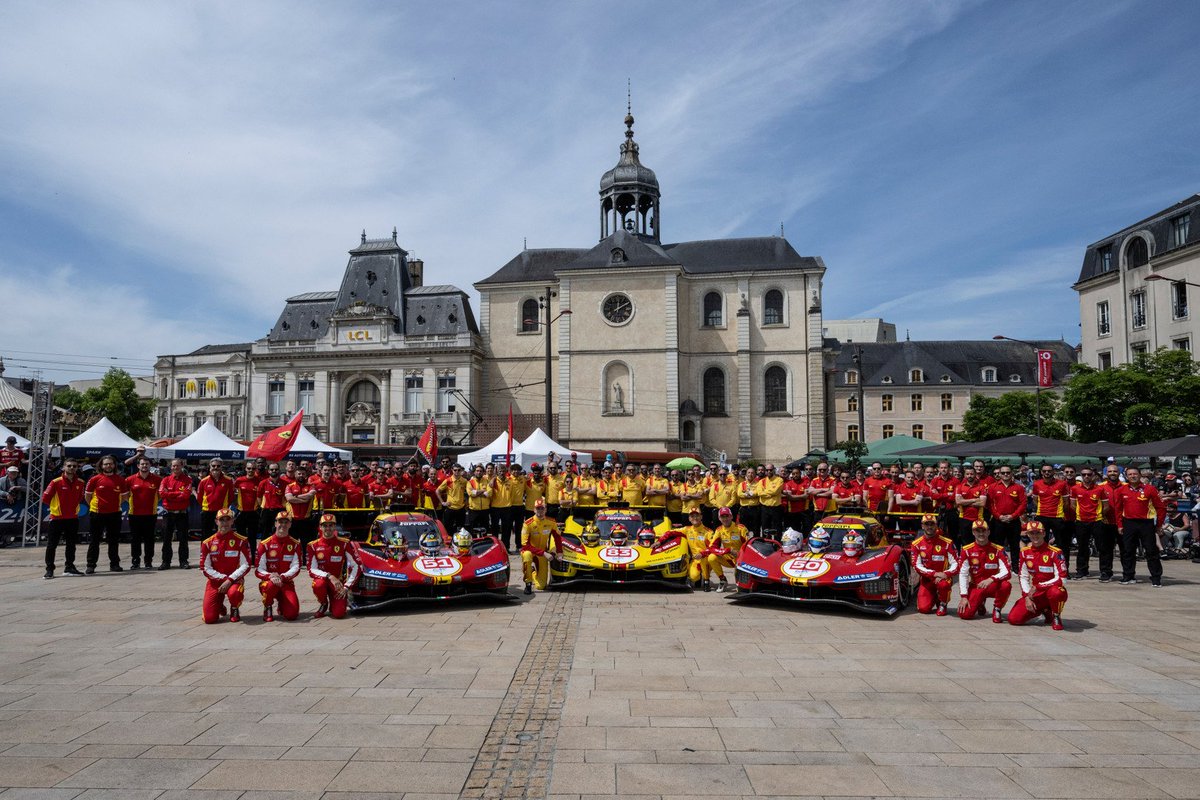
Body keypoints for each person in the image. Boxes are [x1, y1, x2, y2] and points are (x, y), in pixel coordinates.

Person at [1007, 520, 1067, 630]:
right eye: (1032, 533)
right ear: (1028, 534)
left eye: (1038, 533)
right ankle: (1045, 610)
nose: (1035, 536)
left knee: (1057, 592)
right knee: (1014, 619)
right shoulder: (1024, 552)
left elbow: (1062, 579)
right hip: (1035, 594)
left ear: (1044, 533)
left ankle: (1056, 615)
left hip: (1050, 590)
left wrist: (1040, 586)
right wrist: (1026, 597)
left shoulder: (1055, 552)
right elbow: (1023, 577)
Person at [1112, 467, 1166, 587]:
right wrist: (1120, 525)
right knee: (1127, 551)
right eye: (1130, 474)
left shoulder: (1150, 489)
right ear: (1126, 476)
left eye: (1135, 474)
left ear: (1140, 475)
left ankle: (1156, 578)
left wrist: (1159, 525)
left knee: (1151, 551)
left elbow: (1161, 508)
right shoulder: (1122, 490)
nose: (1132, 476)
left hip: (1146, 523)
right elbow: (1118, 509)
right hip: (1129, 523)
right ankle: (1128, 576)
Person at [199, 508, 253, 623]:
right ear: (216, 521)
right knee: (209, 619)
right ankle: (219, 606)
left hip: (234, 581)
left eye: (227, 519)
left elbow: (246, 565)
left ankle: (234, 608)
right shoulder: (207, 543)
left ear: (232, 521)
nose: (224, 523)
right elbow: (205, 568)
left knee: (235, 593)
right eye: (221, 520)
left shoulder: (241, 541)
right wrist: (223, 579)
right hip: (215, 582)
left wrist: (230, 580)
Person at [307, 513, 361, 619]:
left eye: (331, 525)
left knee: (339, 614)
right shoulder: (313, 545)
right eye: (325, 525)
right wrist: (329, 576)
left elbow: (356, 566)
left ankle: (335, 602)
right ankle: (323, 603)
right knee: (318, 585)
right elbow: (312, 569)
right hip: (323, 580)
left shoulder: (344, 543)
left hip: (338, 584)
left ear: (335, 527)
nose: (328, 528)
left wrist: (346, 587)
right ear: (320, 527)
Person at [957, 520, 1012, 622]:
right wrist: (964, 596)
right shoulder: (966, 550)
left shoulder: (998, 550)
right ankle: (980, 603)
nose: (981, 533)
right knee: (964, 614)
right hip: (976, 586)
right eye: (977, 531)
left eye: (984, 530)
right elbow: (963, 574)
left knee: (1006, 585)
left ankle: (997, 609)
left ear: (988, 532)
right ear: (973, 532)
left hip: (992, 585)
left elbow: (1007, 572)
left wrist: (991, 579)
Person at [42, 459, 86, 579]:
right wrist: (56, 508)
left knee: (71, 544)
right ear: (63, 468)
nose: (72, 468)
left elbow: (80, 498)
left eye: (74, 466)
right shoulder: (55, 482)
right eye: (69, 466)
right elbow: (45, 498)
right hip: (57, 518)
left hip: (72, 518)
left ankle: (69, 567)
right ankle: (49, 569)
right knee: (52, 545)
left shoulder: (81, 482)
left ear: (77, 468)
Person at [84, 455, 127, 573]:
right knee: (94, 540)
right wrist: (95, 505)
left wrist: (114, 504)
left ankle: (114, 564)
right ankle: (91, 565)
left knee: (113, 540)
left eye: (111, 463)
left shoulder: (120, 479)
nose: (108, 466)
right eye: (106, 464)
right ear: (101, 466)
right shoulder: (94, 479)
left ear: (114, 465)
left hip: (114, 514)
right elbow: (87, 496)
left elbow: (124, 497)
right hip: (97, 514)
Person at [255, 512, 302, 621]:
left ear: (290, 524)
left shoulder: (295, 544)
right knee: (271, 586)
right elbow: (258, 569)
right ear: (275, 523)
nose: (283, 525)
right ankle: (268, 606)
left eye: (286, 522)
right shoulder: (264, 544)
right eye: (280, 522)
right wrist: (271, 576)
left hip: (286, 582)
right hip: (270, 582)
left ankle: (282, 603)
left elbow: (296, 567)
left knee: (292, 615)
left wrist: (282, 577)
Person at [911, 514, 959, 616]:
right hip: (927, 580)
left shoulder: (947, 543)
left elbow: (956, 564)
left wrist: (945, 574)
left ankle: (943, 603)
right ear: (922, 526)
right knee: (923, 609)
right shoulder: (916, 544)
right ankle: (935, 596)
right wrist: (934, 574)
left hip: (943, 579)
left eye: (932, 524)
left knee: (944, 585)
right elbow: (916, 565)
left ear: (936, 525)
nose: (929, 527)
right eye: (926, 524)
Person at [1068, 466, 1107, 579]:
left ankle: (1104, 571)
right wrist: (1080, 514)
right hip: (1081, 522)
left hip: (1097, 521)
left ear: (1093, 476)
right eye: (1084, 474)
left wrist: (1099, 515)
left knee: (1101, 547)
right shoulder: (1075, 488)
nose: (1086, 476)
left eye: (1089, 474)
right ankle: (1082, 571)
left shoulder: (1100, 489)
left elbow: (1106, 506)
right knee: (1082, 547)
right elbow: (1072, 504)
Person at [1031, 465, 1070, 575]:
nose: (1047, 473)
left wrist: (1061, 513)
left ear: (1053, 471)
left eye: (1049, 471)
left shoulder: (1062, 484)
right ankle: (1042, 568)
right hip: (1042, 516)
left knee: (1062, 545)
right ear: (1041, 472)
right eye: (1044, 471)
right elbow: (1035, 500)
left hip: (1057, 517)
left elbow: (1066, 502)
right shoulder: (1036, 484)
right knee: (1041, 544)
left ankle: (1064, 569)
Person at [985, 466, 1027, 568]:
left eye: (1007, 472)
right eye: (1003, 473)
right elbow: (989, 504)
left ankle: (1015, 567)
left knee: (1015, 545)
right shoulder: (993, 487)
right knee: (997, 545)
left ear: (1012, 473)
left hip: (1014, 520)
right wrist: (998, 516)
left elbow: (1023, 504)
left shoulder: (1019, 487)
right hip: (998, 521)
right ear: (999, 474)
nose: (1005, 475)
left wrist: (1013, 516)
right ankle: (998, 565)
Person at [125, 457, 161, 569]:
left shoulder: (157, 479)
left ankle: (148, 561)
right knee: (135, 539)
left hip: (151, 514)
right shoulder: (129, 480)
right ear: (138, 466)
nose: (144, 466)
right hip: (134, 514)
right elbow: (125, 495)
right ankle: (135, 561)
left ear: (150, 465)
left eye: (146, 464)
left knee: (149, 539)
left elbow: (160, 495)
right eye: (142, 464)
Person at [158, 459, 194, 569]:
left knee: (183, 538)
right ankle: (166, 562)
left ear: (181, 466)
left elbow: (186, 495)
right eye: (173, 466)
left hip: (182, 513)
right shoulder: (165, 480)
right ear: (170, 467)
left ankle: (183, 561)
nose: (175, 468)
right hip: (168, 513)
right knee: (166, 538)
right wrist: (178, 494)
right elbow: (162, 493)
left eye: (177, 466)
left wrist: (170, 495)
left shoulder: (188, 480)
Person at [520, 498, 559, 595]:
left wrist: (560, 552)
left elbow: (557, 538)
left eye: (542, 508)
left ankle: (532, 572)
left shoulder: (551, 522)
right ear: (534, 510)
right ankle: (528, 583)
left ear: (545, 510)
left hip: (543, 552)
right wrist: (544, 553)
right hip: (531, 551)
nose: (540, 511)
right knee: (527, 555)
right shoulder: (527, 524)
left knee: (541, 586)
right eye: (538, 509)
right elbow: (525, 545)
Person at [707, 506, 749, 592]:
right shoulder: (719, 530)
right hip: (728, 558)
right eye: (723, 517)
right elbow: (711, 548)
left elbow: (748, 545)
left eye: (727, 516)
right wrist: (727, 550)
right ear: (719, 518)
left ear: (731, 516)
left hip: (741, 558)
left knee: (741, 588)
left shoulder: (741, 528)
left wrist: (740, 554)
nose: (725, 519)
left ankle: (742, 583)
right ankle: (723, 580)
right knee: (711, 557)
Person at [196, 459, 235, 545]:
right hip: (207, 512)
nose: (215, 468)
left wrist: (224, 507)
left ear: (221, 467)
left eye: (218, 466)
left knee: (223, 533)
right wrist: (206, 506)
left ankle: (222, 554)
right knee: (206, 536)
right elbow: (199, 498)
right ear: (210, 467)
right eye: (213, 466)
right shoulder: (203, 481)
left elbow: (231, 497)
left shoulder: (228, 480)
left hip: (222, 513)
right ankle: (205, 555)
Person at [284, 465, 318, 558]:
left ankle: (304, 561)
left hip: (306, 520)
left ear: (306, 475)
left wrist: (296, 496)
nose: (301, 475)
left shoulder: (311, 486)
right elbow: (289, 498)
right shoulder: (289, 486)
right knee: (292, 542)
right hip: (293, 520)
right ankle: (291, 559)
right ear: (295, 475)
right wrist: (302, 499)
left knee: (305, 543)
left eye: (303, 474)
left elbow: (310, 496)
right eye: (299, 474)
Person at [232, 461, 261, 555]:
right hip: (241, 512)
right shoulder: (239, 480)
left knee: (252, 537)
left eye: (253, 468)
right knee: (241, 536)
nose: (251, 470)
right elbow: (233, 492)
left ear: (255, 469)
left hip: (254, 513)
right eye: (249, 468)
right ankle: (242, 556)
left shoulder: (259, 480)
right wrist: (235, 504)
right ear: (245, 469)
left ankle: (252, 557)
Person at [680, 508, 713, 590]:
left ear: (701, 517)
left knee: (706, 559)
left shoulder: (708, 532)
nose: (695, 518)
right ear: (689, 519)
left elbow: (713, 548)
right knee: (694, 577)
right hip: (695, 560)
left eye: (697, 515)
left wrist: (702, 554)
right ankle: (698, 576)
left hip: (706, 559)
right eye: (692, 516)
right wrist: (659, 541)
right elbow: (671, 532)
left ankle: (706, 580)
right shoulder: (687, 529)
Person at [437, 464, 469, 534]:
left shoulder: (465, 481)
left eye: (459, 470)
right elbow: (437, 491)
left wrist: (467, 501)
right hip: (450, 508)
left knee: (461, 530)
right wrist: (443, 502)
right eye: (455, 470)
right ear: (452, 470)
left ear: (461, 471)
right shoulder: (448, 480)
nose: (457, 472)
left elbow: (469, 492)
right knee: (448, 529)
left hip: (461, 509)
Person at [757, 465, 785, 531]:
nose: (769, 471)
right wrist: (771, 494)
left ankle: (777, 541)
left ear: (774, 470)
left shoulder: (779, 480)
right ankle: (766, 541)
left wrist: (765, 492)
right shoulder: (762, 481)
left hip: (776, 508)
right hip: (764, 508)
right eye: (767, 470)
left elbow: (775, 491)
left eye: (770, 470)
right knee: (765, 528)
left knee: (777, 528)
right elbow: (759, 493)